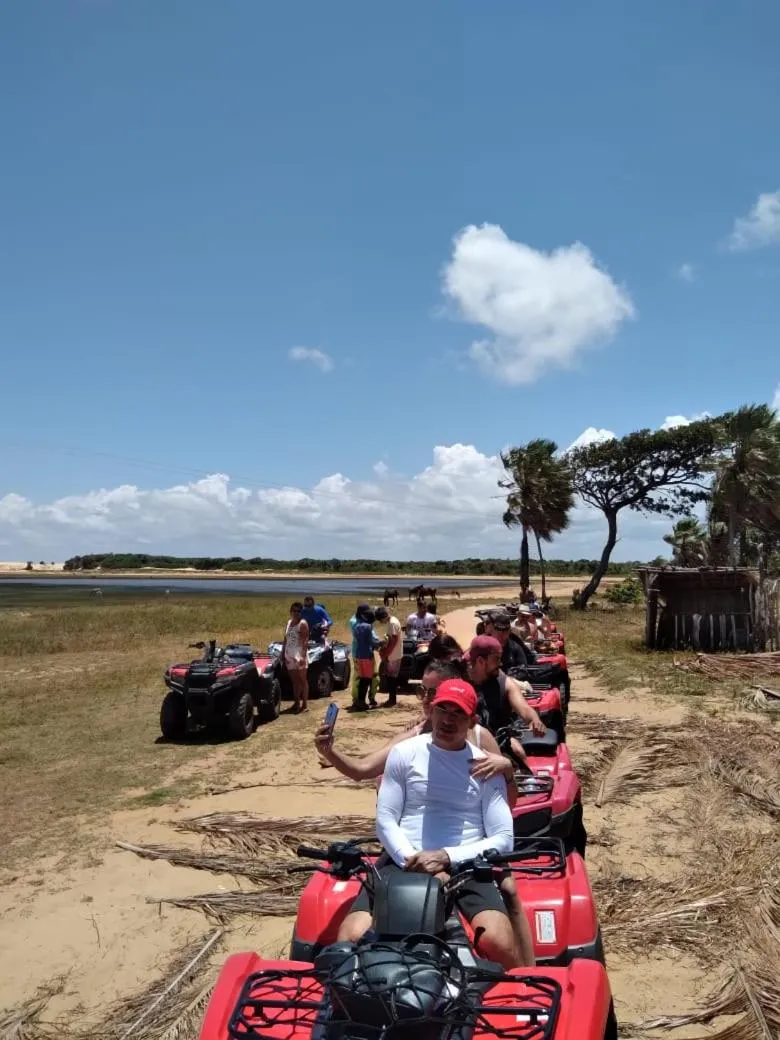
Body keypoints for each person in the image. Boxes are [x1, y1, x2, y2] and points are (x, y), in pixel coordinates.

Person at [314, 660, 535, 965]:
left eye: (458, 713)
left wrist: (446, 857)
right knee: (350, 936)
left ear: (471, 721)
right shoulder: (404, 753)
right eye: (443, 709)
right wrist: (411, 859)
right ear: (432, 710)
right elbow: (386, 819)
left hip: (467, 864)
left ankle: (523, 988)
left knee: (498, 941)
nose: (448, 719)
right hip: (403, 858)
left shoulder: (486, 764)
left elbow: (503, 838)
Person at [464, 635, 546, 738]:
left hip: (500, 742)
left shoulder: (505, 683)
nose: (501, 663)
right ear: (481, 661)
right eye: (496, 659)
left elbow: (525, 709)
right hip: (467, 743)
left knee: (518, 751)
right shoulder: (461, 683)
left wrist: (535, 721)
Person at [351, 607, 381, 712]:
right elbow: (371, 642)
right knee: (367, 679)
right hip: (367, 655)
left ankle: (359, 701)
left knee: (362, 678)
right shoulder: (368, 627)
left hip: (358, 655)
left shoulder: (356, 626)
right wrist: (379, 644)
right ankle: (361, 702)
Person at [281, 602, 309, 713]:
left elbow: (305, 640)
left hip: (299, 653)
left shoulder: (302, 623)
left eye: (298, 611)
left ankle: (305, 704)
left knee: (302, 680)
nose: (296, 613)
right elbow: (285, 639)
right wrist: (283, 653)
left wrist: (303, 656)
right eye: (294, 611)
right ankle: (296, 702)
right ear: (290, 611)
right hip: (289, 654)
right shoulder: (288, 623)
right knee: (294, 681)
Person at [374, 605, 403, 707]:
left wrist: (386, 653)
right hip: (393, 653)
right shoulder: (393, 621)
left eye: (381, 620)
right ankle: (391, 699)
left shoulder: (393, 623)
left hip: (393, 655)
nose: (381, 622)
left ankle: (392, 700)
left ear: (383, 617)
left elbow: (393, 641)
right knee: (390, 677)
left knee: (392, 678)